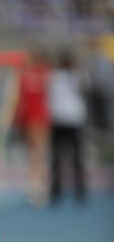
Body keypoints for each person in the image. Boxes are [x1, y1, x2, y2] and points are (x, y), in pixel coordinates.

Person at [47, 49, 88, 203]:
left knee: (75, 157)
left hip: (70, 119)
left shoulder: (75, 77)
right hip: (63, 120)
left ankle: (79, 189)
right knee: (59, 157)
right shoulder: (55, 77)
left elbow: (85, 89)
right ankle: (58, 190)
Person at [14, 48, 51, 206]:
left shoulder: (34, 73)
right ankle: (38, 183)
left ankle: (38, 183)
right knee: (37, 150)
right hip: (36, 116)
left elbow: (20, 99)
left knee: (37, 151)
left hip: (36, 115)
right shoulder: (40, 73)